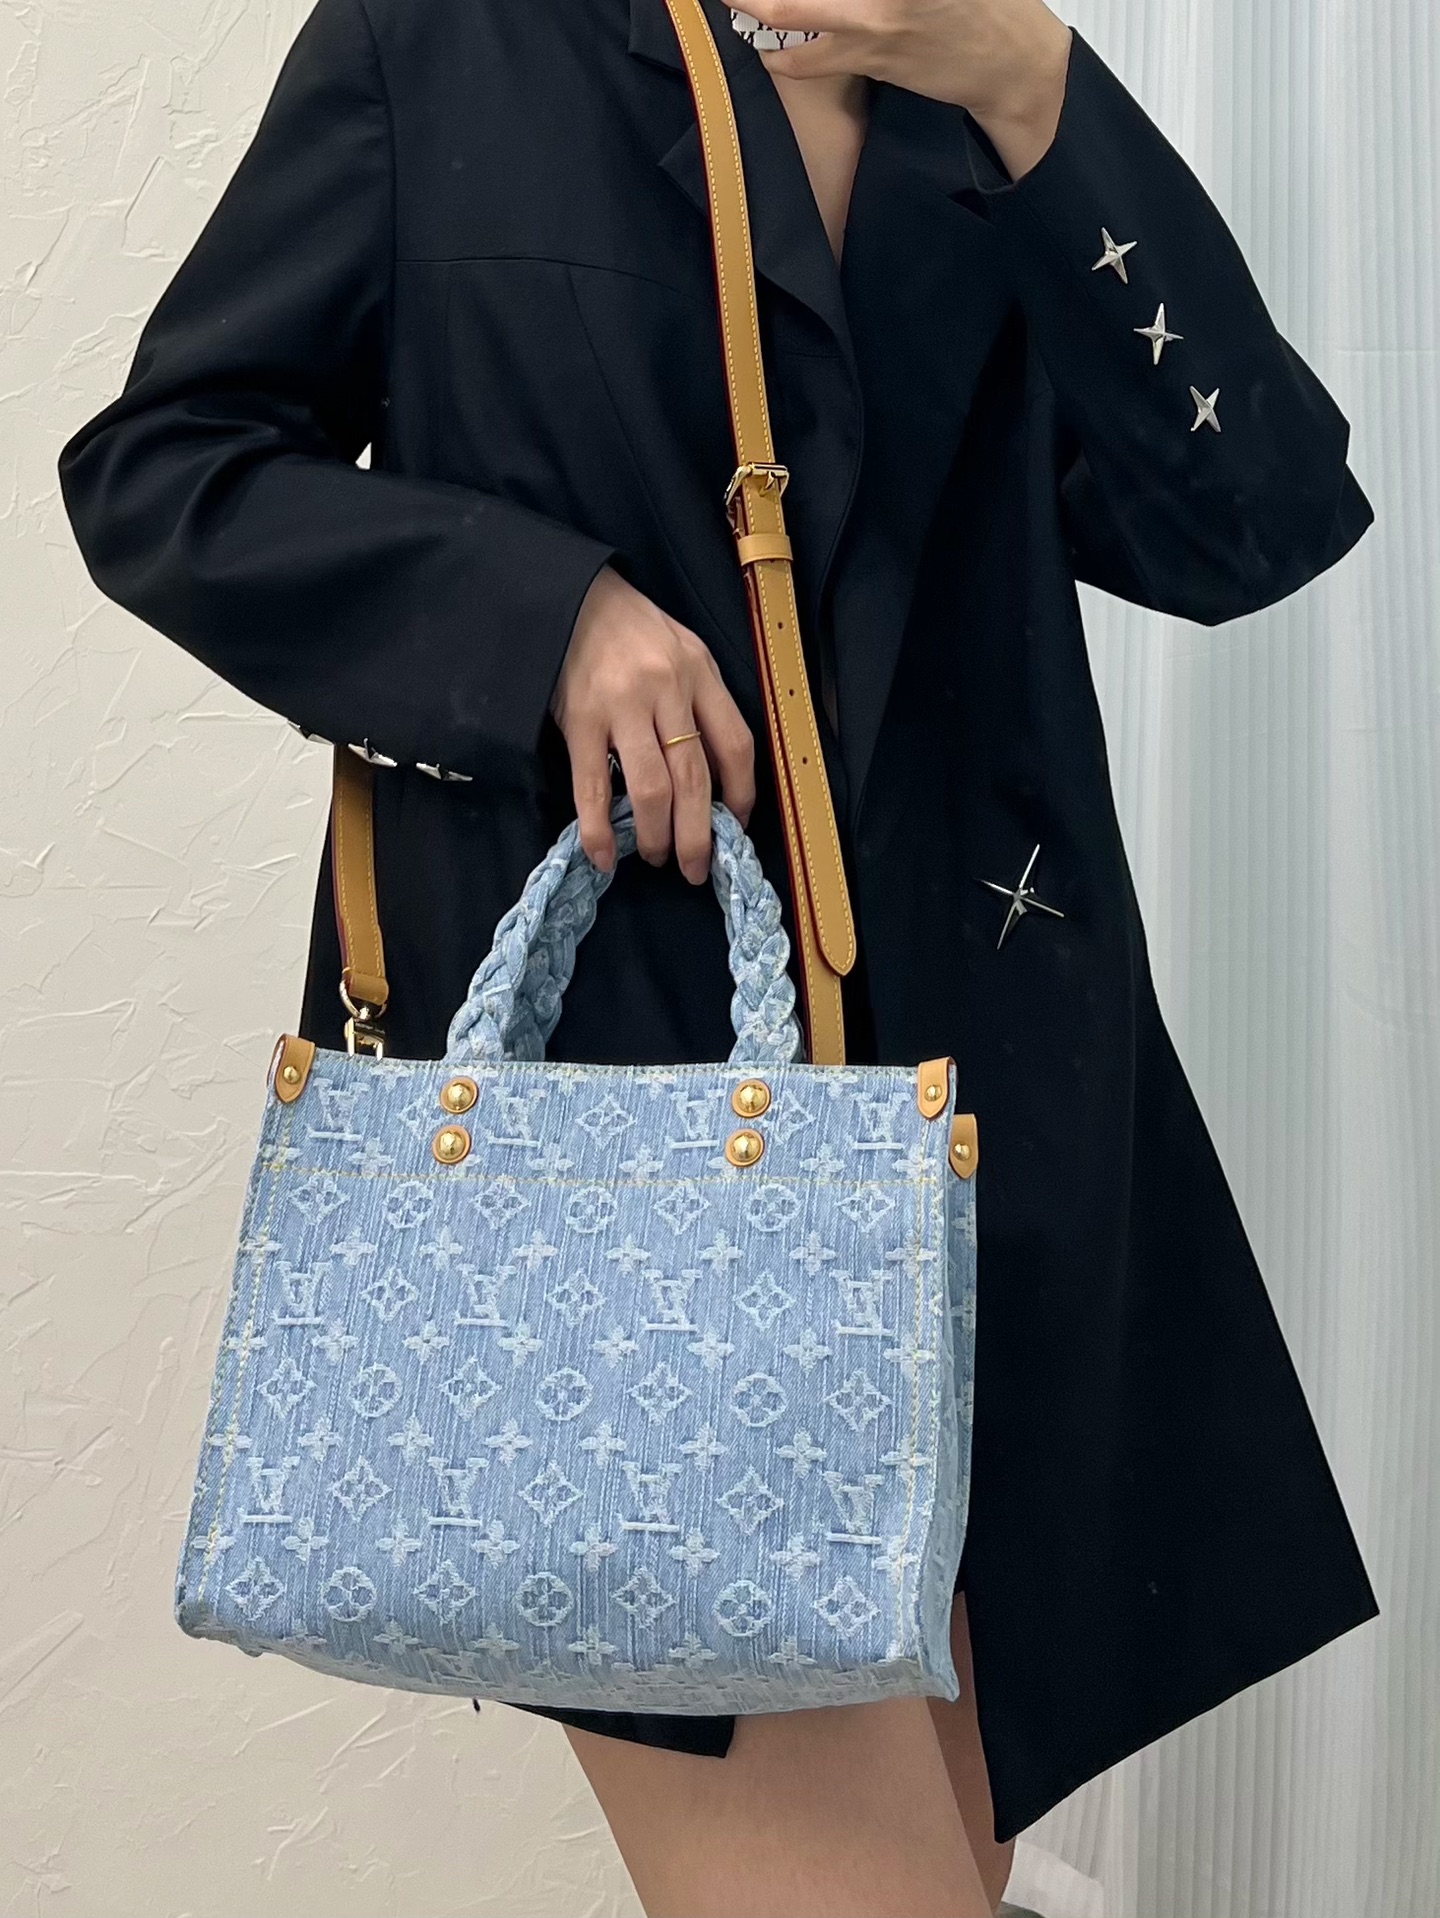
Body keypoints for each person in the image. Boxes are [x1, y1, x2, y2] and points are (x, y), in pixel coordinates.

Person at [57, 1, 1379, 1912]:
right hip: (638, 1179)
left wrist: (1028, 84)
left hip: (978, 1156)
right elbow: (169, 470)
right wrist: (543, 618)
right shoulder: (451, 42)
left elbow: (1252, 513)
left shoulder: (969, 96)